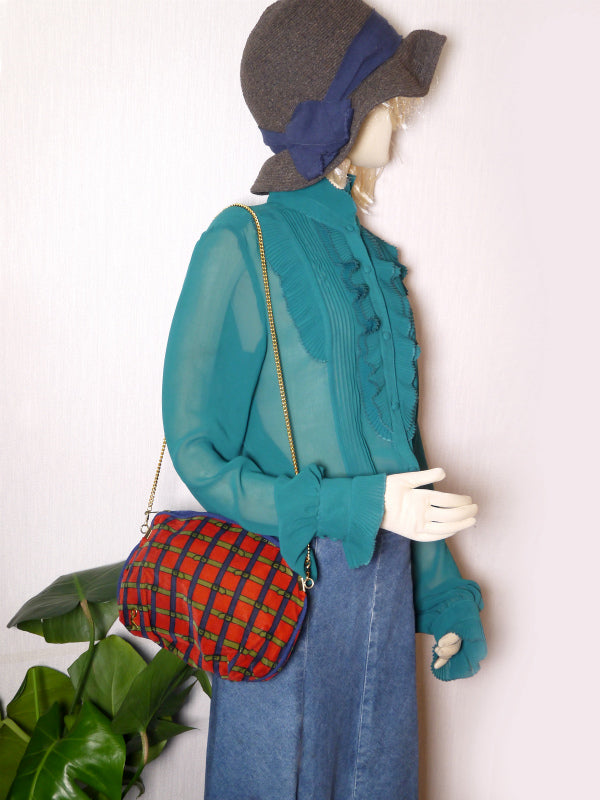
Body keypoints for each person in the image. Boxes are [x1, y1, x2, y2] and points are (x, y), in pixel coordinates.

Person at [162, 2, 487, 798]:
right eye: (382, 97)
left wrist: (443, 592)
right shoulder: (241, 244)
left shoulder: (375, 262)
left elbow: (397, 448)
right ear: (335, 112)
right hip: (284, 590)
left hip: (383, 589)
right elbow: (197, 451)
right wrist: (353, 507)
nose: (400, 117)